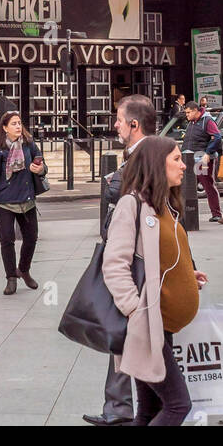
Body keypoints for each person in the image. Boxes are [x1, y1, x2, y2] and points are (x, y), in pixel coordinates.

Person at [102, 134, 207, 425]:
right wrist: (136, 311)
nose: (183, 165)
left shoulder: (162, 205)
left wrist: (186, 274)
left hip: (162, 324)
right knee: (177, 405)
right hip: (147, 325)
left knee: (148, 410)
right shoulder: (130, 205)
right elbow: (114, 264)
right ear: (157, 165)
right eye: (175, 159)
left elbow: (159, 256)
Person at [83, 93, 156, 426]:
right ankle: (119, 407)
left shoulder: (148, 157)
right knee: (123, 337)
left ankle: (134, 408)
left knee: (132, 333)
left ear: (134, 124)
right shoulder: (138, 156)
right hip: (135, 258)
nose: (114, 124)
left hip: (138, 262)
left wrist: (112, 182)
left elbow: (122, 190)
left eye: (118, 118)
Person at [0, 112, 46, 294]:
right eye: (14, 124)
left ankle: (23, 270)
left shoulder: (29, 145)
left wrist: (40, 168)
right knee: (7, 241)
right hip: (4, 202)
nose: (18, 127)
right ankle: (11, 277)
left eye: (19, 123)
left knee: (31, 238)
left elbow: (42, 166)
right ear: (4, 128)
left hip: (27, 200)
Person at [182, 100, 223, 222]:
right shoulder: (192, 122)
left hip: (201, 158)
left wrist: (208, 153)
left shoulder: (207, 121)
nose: (187, 115)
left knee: (208, 184)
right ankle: (185, 212)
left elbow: (216, 137)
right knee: (186, 186)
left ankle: (216, 213)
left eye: (188, 112)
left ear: (196, 111)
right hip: (189, 157)